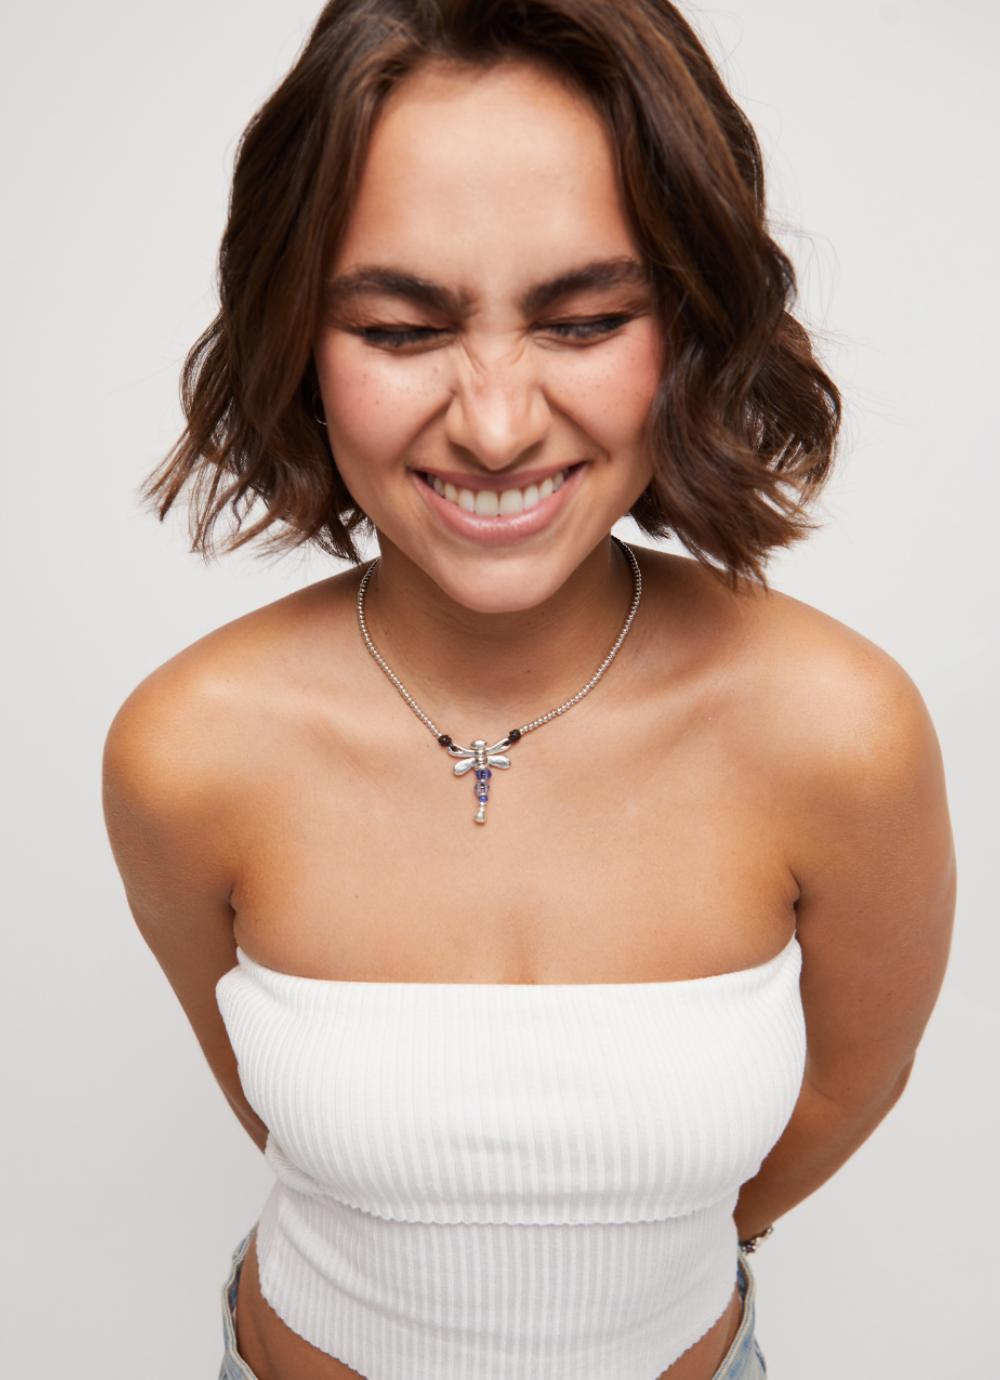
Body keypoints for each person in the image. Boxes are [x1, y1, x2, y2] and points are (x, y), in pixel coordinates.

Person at [100, 2, 956, 1378]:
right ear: (297, 336)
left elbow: (850, 1086)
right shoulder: (187, 749)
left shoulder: (839, 732)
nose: (495, 424)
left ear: (691, 322)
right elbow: (281, 1122)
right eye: (399, 330)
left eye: (586, 320)